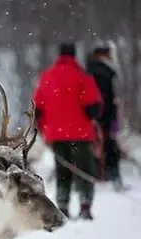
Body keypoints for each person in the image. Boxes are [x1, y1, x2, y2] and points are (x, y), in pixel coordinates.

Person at [33, 42, 103, 220]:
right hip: (80, 133)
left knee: (63, 170)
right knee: (84, 169)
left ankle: (63, 205)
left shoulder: (47, 76)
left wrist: (43, 128)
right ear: (74, 55)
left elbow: (37, 108)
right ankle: (85, 205)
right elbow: (92, 107)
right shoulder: (82, 75)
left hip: (56, 134)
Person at [86, 41, 128, 191]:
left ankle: (104, 175)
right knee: (109, 148)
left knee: (103, 148)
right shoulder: (101, 70)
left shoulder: (95, 69)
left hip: (100, 116)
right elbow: (103, 97)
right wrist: (104, 117)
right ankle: (112, 178)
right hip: (103, 117)